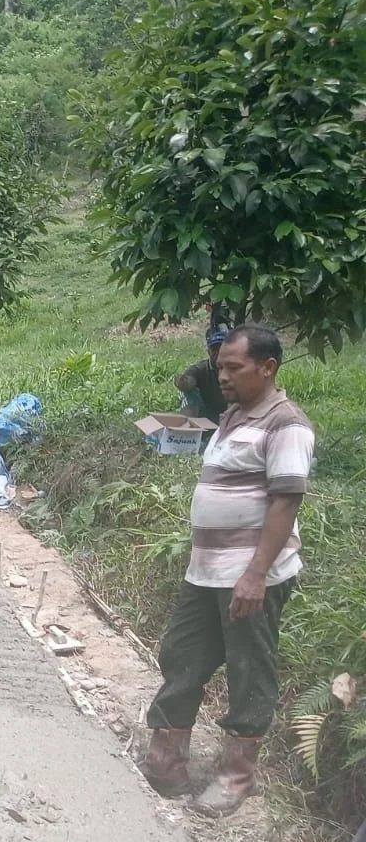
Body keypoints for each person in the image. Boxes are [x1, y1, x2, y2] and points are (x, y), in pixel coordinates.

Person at [139, 325, 314, 816]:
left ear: (268, 367)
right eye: (220, 367)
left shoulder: (287, 425)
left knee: (248, 670)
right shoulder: (233, 416)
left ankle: (236, 777)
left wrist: (256, 573)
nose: (223, 376)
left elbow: (285, 501)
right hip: (206, 570)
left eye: (233, 367)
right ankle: (166, 758)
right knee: (182, 654)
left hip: (252, 574)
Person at [174, 314, 232, 423]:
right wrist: (183, 382)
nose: (217, 353)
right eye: (214, 349)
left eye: (221, 348)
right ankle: (187, 432)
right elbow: (188, 381)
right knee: (190, 393)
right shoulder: (200, 369)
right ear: (208, 352)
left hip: (230, 415)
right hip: (206, 414)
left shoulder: (237, 369)